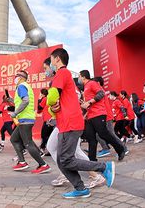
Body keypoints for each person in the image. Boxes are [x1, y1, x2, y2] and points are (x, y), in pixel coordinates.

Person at [47, 48, 115, 199]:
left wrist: (49, 103)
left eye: (51, 60)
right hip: (66, 122)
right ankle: (80, 188)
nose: (50, 63)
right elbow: (57, 102)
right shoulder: (65, 76)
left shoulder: (62, 72)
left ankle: (103, 167)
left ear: (57, 59)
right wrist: (53, 107)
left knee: (66, 159)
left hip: (70, 123)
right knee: (62, 159)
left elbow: (52, 96)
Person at [79, 70, 126, 161]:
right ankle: (92, 160)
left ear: (84, 77)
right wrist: (84, 104)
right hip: (90, 116)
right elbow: (90, 102)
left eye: (80, 76)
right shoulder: (85, 87)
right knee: (91, 138)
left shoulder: (92, 83)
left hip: (99, 114)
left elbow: (101, 93)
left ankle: (120, 149)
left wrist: (89, 102)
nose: (79, 78)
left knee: (103, 133)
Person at [10, 70, 50, 173]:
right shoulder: (26, 86)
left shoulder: (21, 86)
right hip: (26, 119)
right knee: (14, 139)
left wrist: (15, 113)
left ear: (22, 77)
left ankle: (43, 164)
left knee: (28, 143)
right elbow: (22, 101)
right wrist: (10, 100)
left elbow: (26, 101)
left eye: (17, 75)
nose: (15, 77)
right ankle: (22, 162)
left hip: (25, 119)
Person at [38, 88, 53, 155]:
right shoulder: (49, 99)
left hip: (47, 120)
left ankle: (42, 148)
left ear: (43, 94)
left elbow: (39, 108)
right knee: (49, 135)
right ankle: (49, 150)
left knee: (44, 135)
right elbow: (40, 110)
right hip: (51, 119)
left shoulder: (44, 99)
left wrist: (39, 100)